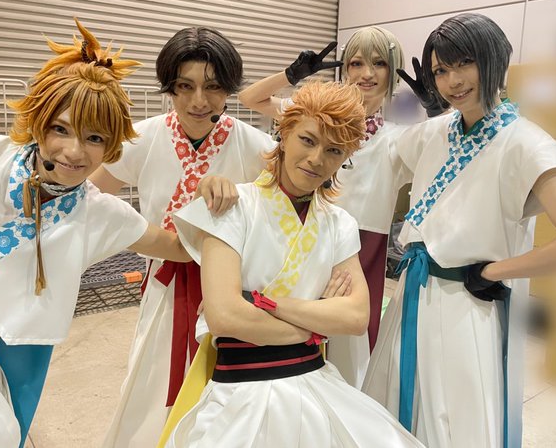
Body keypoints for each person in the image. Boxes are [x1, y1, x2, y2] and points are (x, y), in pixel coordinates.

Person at [0, 19, 224, 448]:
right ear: (39, 122)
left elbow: (177, 247)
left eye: (94, 137)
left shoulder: (99, 213)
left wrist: (224, 201)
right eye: (60, 129)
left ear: (111, 147)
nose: (73, 151)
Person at [362, 13, 556, 448]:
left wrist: (495, 271)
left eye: (465, 63)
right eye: (441, 70)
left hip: (469, 304)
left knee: (457, 420)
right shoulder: (437, 130)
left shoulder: (527, 143)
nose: (453, 80)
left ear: (494, 59)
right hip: (414, 294)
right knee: (393, 406)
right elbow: (370, 156)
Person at [160, 80, 424, 447]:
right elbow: (225, 316)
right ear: (284, 134)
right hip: (240, 389)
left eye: (334, 150)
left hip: (316, 379)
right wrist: (315, 325)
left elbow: (355, 317)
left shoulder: (340, 223)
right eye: (308, 140)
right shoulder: (233, 205)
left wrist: (262, 302)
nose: (317, 159)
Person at [91, 26, 275, 446]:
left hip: (232, 291)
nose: (198, 101)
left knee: (227, 393)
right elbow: (91, 198)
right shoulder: (141, 137)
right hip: (164, 285)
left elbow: (283, 215)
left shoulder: (258, 146)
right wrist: (139, 235)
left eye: (213, 87)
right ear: (169, 87)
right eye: (185, 86)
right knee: (152, 382)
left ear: (229, 88)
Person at [238, 27, 441, 387]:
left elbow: (445, 149)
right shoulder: (314, 119)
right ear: (345, 69)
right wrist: (292, 75)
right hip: (300, 234)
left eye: (379, 64)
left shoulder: (398, 137)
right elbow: (249, 97)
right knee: (288, 334)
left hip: (362, 250)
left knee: (349, 353)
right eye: (357, 63)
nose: (367, 74)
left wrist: (437, 108)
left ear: (393, 72)